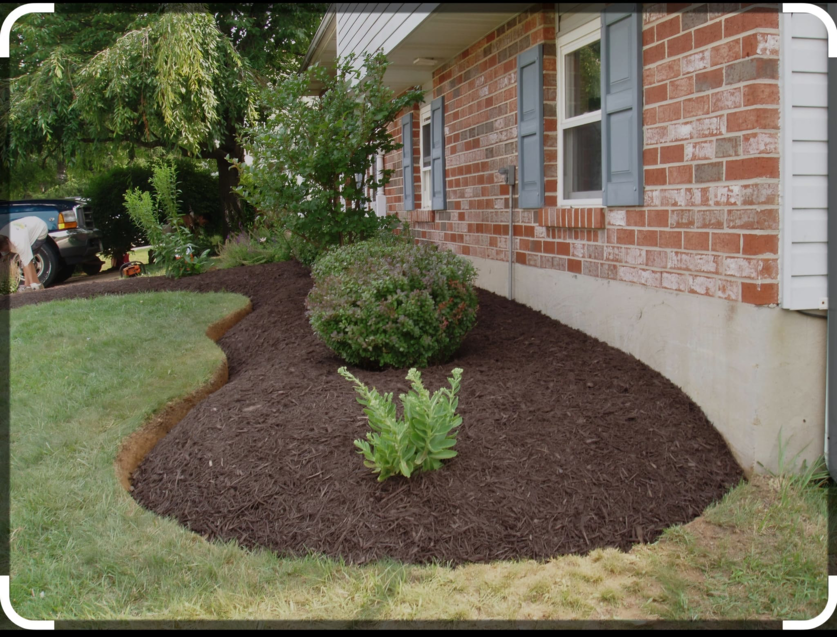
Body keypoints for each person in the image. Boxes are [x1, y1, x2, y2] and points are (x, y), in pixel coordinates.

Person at [0, 216, 50, 291]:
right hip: (26, 226)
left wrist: (33, 284)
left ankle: (36, 285)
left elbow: (27, 261)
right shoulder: (2, 235)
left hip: (39, 230)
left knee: (27, 259)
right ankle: (27, 285)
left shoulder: (19, 241)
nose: (6, 251)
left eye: (6, 249)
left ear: (7, 242)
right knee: (23, 258)